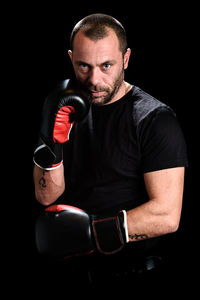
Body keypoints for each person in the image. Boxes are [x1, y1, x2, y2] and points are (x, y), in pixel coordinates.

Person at [33, 13, 188, 287]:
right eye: (84, 66)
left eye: (106, 65)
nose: (94, 79)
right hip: (71, 275)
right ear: (70, 59)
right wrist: (52, 140)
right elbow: (47, 196)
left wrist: (91, 232)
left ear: (126, 59)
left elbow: (167, 215)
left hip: (135, 275)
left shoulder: (154, 119)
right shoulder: (65, 108)